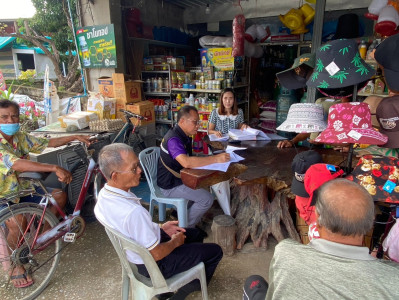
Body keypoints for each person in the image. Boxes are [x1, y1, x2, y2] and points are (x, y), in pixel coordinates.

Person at [94, 143, 223, 300]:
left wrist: (160, 228)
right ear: (115, 176)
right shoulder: (133, 213)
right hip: (153, 265)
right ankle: (179, 293)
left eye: (138, 166)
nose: (140, 171)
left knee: (196, 234)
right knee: (215, 251)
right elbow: (155, 254)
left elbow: (133, 229)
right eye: (134, 169)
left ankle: (192, 270)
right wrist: (175, 242)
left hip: (136, 252)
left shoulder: (104, 196)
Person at [243, 179, 399, 299]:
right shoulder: (392, 280)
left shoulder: (286, 252)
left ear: (317, 218)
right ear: (371, 222)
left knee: (254, 282)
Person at [0, 99, 92, 288]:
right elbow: (15, 164)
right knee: (17, 223)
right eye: (4, 117)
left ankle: (40, 240)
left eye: (14, 116)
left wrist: (74, 137)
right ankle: (16, 264)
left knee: (58, 196)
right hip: (3, 195)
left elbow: (46, 142)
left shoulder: (18, 137)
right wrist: (53, 167)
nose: (10, 121)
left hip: (23, 189)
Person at [157, 105, 230, 227]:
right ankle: (186, 226)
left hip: (179, 178)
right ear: (182, 121)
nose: (198, 126)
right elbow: (186, 162)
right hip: (170, 185)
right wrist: (215, 159)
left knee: (205, 185)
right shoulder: (173, 139)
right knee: (207, 199)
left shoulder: (183, 135)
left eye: (198, 122)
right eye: (195, 122)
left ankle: (182, 216)